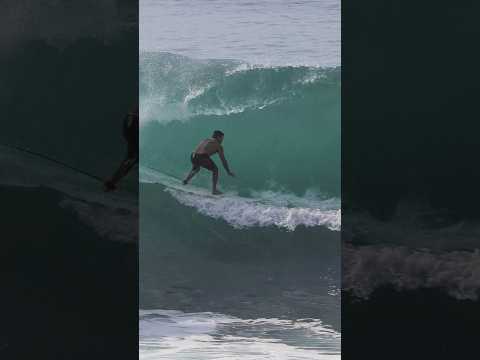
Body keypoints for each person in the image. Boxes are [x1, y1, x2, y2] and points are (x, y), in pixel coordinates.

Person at [183, 130, 235, 195]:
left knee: (196, 169)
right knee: (215, 170)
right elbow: (223, 160)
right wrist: (228, 171)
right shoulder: (218, 145)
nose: (222, 140)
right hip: (202, 157)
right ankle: (214, 190)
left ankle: (186, 180)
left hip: (193, 155)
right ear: (218, 137)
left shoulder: (206, 140)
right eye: (222, 138)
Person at [104, 105, 139, 191]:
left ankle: (112, 182)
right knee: (130, 160)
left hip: (133, 132)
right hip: (133, 132)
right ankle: (111, 182)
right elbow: (128, 128)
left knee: (132, 160)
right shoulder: (133, 116)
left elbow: (127, 129)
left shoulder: (133, 115)